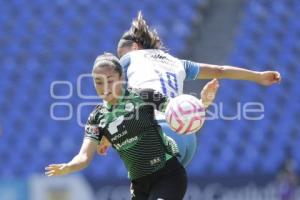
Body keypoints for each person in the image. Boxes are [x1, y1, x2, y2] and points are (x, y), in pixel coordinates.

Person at [97, 11, 282, 167]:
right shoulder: (177, 62)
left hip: (156, 131)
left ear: (135, 47)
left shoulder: (131, 58)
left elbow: (112, 92)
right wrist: (258, 76)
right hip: (186, 137)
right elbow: (220, 70)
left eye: (122, 55)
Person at [45, 53, 219, 200]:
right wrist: (69, 166)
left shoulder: (143, 95)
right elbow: (83, 157)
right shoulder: (96, 118)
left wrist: (203, 102)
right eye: (98, 82)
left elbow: (180, 113)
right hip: (140, 187)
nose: (104, 87)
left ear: (121, 78)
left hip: (168, 175)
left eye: (110, 80)